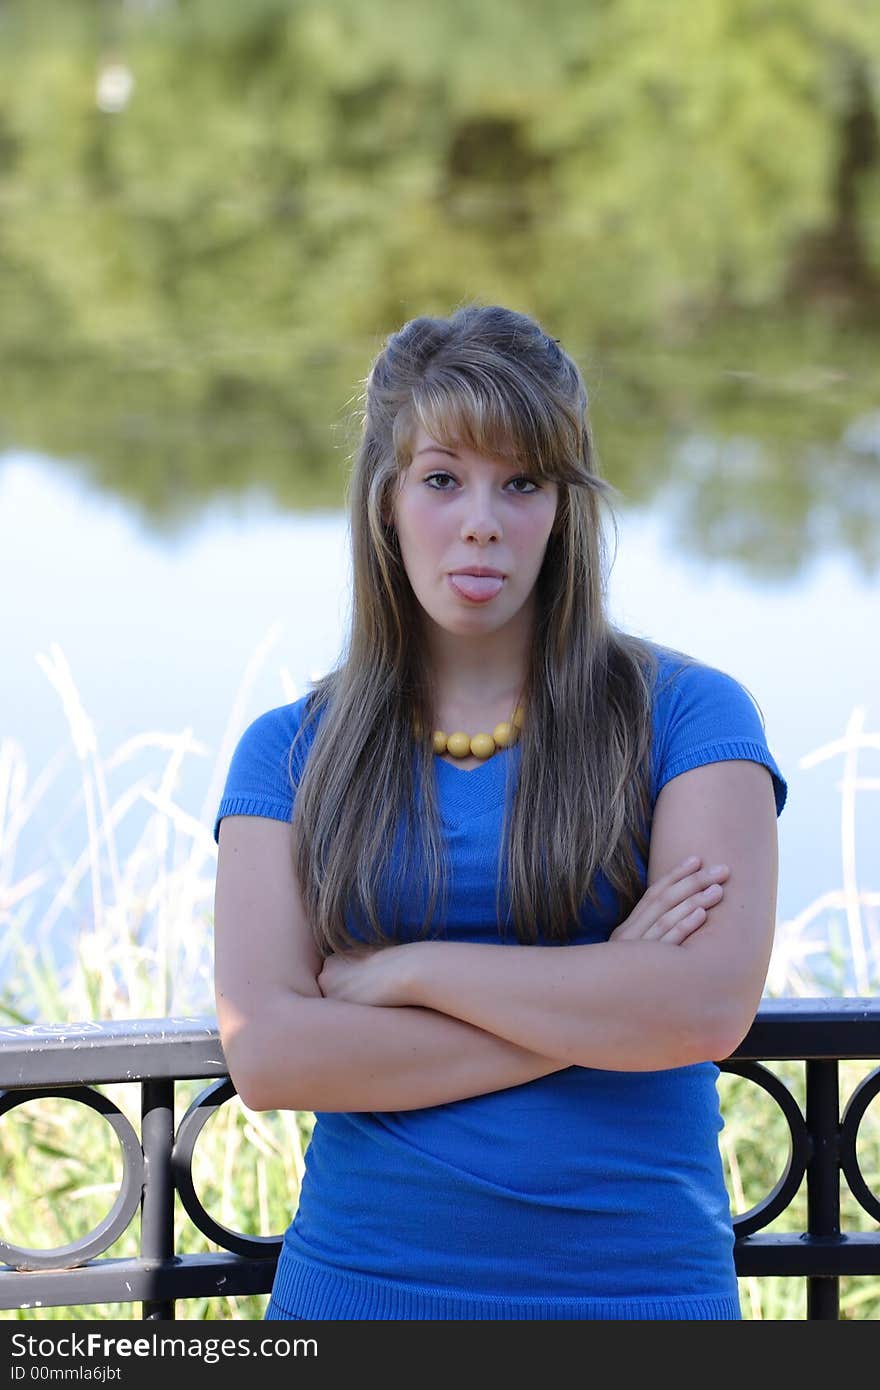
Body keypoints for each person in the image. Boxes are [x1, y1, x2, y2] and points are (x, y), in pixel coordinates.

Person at [212, 302, 787, 1321]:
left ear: (563, 509)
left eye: (520, 482)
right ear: (385, 502)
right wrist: (607, 996)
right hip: (360, 1294)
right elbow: (271, 1053)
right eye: (443, 479)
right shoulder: (289, 752)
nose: (480, 519)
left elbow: (703, 1009)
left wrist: (409, 973)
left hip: (634, 1295)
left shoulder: (689, 716)